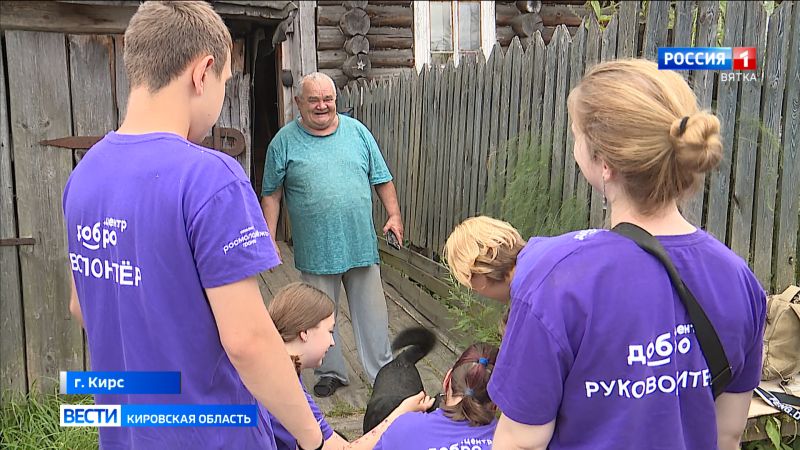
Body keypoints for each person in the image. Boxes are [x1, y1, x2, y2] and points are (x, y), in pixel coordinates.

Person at [62, 2, 323, 449]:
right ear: (202, 73)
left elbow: (79, 305)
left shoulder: (84, 174)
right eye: (224, 83)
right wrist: (312, 438)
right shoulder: (211, 177)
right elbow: (248, 341)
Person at [481, 59, 766, 450]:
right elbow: (728, 434)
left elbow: (521, 442)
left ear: (605, 163)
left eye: (577, 136)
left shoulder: (556, 280)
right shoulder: (737, 278)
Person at [261, 72, 401, 397]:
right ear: (299, 103)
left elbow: (382, 178)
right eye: (313, 100)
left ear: (335, 100)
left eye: (328, 99)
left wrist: (394, 215)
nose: (322, 105)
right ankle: (330, 371)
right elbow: (271, 195)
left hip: (360, 244)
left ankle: (382, 374)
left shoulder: (358, 133)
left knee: (374, 315)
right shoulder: (283, 142)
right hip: (316, 248)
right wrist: (269, 237)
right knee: (320, 315)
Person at [266, 282, 435, 450]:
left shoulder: (273, 370)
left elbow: (248, 419)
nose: (332, 342)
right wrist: (401, 412)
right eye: (330, 331)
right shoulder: (286, 390)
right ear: (304, 333)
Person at [372, 343, 500, 450]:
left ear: (447, 380)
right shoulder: (507, 441)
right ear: (497, 403)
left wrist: (399, 413)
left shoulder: (403, 429)